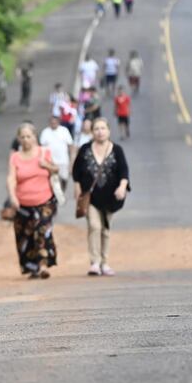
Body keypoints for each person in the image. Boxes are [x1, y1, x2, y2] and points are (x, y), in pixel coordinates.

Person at [72, 118, 129, 277]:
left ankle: (104, 262)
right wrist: (77, 187)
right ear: (92, 132)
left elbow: (124, 171)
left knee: (106, 230)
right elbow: (76, 171)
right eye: (96, 128)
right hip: (90, 197)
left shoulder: (117, 150)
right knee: (95, 226)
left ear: (109, 131)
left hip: (110, 198)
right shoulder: (85, 149)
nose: (100, 131)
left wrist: (122, 187)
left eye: (103, 128)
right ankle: (94, 262)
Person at [7, 122, 59, 279]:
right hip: (23, 203)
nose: (26, 139)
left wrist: (47, 166)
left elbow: (56, 169)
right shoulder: (15, 157)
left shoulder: (44, 153)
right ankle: (32, 267)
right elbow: (11, 178)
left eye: (29, 136)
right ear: (18, 139)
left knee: (41, 231)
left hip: (45, 201)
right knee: (25, 235)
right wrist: (12, 196)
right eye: (22, 137)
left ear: (35, 137)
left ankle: (43, 265)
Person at [40, 115, 75, 192]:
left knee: (64, 178)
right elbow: (42, 148)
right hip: (51, 161)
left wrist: (72, 160)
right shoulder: (45, 132)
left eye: (55, 122)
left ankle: (62, 190)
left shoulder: (64, 130)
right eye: (52, 122)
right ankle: (56, 195)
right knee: (53, 179)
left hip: (63, 160)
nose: (53, 124)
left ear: (58, 122)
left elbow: (70, 146)